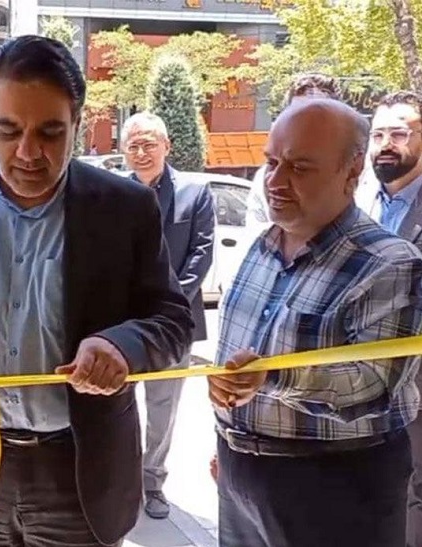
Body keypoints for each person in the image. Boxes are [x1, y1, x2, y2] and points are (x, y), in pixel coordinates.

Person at [0, 35, 193, 547]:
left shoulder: (125, 208)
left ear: (77, 123)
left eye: (50, 132)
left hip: (80, 472)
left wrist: (123, 345)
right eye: (8, 131)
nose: (28, 152)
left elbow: (173, 318)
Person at [210, 97, 422, 546]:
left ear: (352, 171)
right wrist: (229, 440)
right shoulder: (260, 246)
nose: (275, 181)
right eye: (271, 162)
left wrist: (273, 376)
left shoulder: (390, 264)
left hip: (334, 485)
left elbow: (375, 385)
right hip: (240, 473)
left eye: (299, 167)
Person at [121, 111, 215, 519]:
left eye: (149, 144)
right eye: (133, 145)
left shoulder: (195, 192)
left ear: (166, 146)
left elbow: (201, 254)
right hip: (122, 323)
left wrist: (168, 303)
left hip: (174, 323)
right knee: (119, 406)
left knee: (162, 409)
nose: (141, 152)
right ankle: (122, 480)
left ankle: (152, 481)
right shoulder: (112, 193)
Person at [358, 91, 422, 546]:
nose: (386, 144)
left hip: (417, 383)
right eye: (377, 134)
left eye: (399, 134)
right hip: (356, 379)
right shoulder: (356, 200)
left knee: (413, 493)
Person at [246, 73, 341, 230]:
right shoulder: (267, 178)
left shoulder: (359, 175)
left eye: (318, 115)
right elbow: (256, 236)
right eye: (298, 115)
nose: (306, 124)